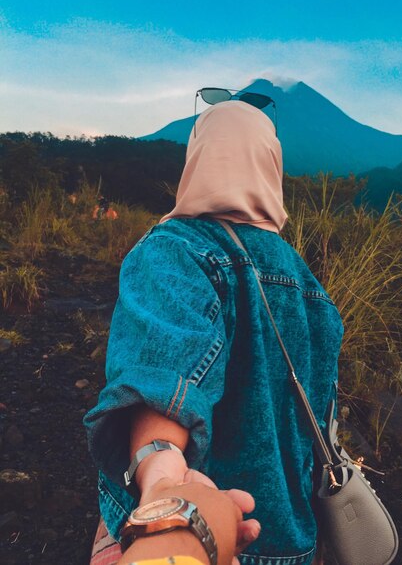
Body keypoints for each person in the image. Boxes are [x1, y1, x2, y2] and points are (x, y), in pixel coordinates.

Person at [84, 99, 343, 565]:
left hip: (194, 535)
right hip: (294, 541)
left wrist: (162, 482)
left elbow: (162, 373)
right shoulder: (311, 287)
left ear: (199, 161)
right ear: (269, 166)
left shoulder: (174, 248)